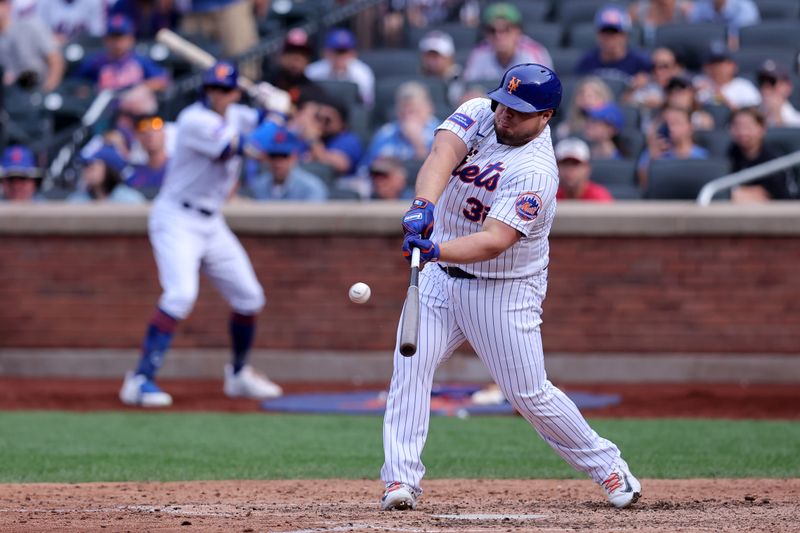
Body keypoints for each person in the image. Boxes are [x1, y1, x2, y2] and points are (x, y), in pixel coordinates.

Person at [380, 63, 641, 511]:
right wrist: (422, 205)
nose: (505, 115)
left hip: (503, 289)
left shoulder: (537, 172)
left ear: (546, 117)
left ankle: (608, 466)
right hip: (441, 280)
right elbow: (442, 154)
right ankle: (400, 480)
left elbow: (494, 242)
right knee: (411, 367)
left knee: (529, 394)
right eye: (505, 103)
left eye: (520, 112)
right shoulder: (483, 111)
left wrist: (435, 247)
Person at [119, 61, 285, 407]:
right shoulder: (195, 120)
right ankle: (139, 380)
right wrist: (275, 116)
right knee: (180, 296)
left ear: (235, 92)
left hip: (212, 222)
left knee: (250, 297)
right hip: (177, 217)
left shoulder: (238, 113)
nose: (218, 95)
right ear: (204, 90)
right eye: (213, 88)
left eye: (225, 89)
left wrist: (277, 104)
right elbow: (238, 147)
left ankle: (238, 375)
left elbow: (277, 141)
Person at [75, 14, 168, 92]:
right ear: (105, 40)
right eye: (113, 38)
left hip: (134, 107)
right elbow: (76, 84)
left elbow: (163, 80)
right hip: (105, 108)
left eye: (121, 37)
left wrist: (139, 88)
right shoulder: (96, 62)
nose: (117, 43)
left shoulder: (139, 60)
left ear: (131, 39)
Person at [462, 2, 552, 82]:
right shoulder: (479, 53)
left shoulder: (533, 53)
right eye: (492, 30)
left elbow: (546, 91)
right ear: (486, 33)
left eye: (506, 29)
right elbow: (466, 90)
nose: (499, 35)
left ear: (518, 31)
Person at [360, 81, 439, 170]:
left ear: (429, 108)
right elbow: (365, 168)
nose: (408, 116)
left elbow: (438, 172)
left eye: (413, 111)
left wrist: (418, 144)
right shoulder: (385, 133)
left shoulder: (442, 133)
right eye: (403, 111)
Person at [244, 121, 328, 201]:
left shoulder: (311, 187)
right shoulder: (258, 185)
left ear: (294, 157)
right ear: (267, 158)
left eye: (284, 156)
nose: (278, 162)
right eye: (273, 156)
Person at [727, 107, 795, 202]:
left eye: (747, 126)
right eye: (737, 126)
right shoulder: (729, 154)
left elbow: (778, 196)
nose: (742, 132)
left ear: (761, 129)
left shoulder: (774, 160)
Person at [575, 5, 652, 86]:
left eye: (614, 32)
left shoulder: (641, 63)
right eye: (604, 32)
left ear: (626, 36)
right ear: (597, 35)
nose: (609, 37)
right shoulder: (587, 62)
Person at [294, 92, 363, 177]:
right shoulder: (310, 138)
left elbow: (339, 166)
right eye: (319, 118)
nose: (322, 123)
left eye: (328, 120)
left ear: (343, 123)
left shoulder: (349, 140)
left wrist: (313, 140)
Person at [0, 0, 64, 92]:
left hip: (38, 89)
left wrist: (47, 90)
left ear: (8, 6)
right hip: (10, 95)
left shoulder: (29, 26)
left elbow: (55, 59)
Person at [637, 106, 709, 187]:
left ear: (690, 126)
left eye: (676, 123)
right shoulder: (652, 152)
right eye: (667, 124)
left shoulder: (702, 156)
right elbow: (643, 184)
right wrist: (652, 158)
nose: (671, 128)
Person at [305, 28, 375, 107]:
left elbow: (366, 105)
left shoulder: (362, 73)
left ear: (353, 53)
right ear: (325, 53)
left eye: (344, 52)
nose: (340, 57)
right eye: (335, 51)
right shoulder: (312, 72)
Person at [67, 144, 146, 203]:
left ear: (109, 169)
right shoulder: (77, 200)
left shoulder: (129, 199)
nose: (87, 170)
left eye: (91, 166)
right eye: (85, 165)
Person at [694, 41, 760, 110]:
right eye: (712, 63)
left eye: (720, 63)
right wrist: (693, 95)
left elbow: (752, 116)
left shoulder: (744, 87)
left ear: (733, 66)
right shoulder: (698, 82)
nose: (716, 68)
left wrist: (720, 96)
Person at [555, 76, 614, 140]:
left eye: (592, 95)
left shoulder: (610, 127)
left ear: (603, 98)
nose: (586, 99)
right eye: (582, 94)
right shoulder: (565, 128)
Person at [688, 0, 759, 48]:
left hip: (738, 52)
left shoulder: (745, 7)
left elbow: (745, 39)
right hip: (708, 52)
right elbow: (696, 34)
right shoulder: (700, 6)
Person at [418, 30, 463, 106]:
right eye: (428, 56)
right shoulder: (420, 79)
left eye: (437, 56)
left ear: (449, 57)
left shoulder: (461, 78)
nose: (432, 60)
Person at [127, 114, 169, 193]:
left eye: (155, 130)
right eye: (144, 132)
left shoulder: (177, 167)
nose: (150, 135)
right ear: (138, 137)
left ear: (164, 133)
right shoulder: (135, 173)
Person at [37, 0, 105, 44]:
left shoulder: (94, 2)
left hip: (85, 47)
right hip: (55, 49)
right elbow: (39, 32)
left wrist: (71, 40)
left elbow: (97, 33)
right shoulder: (44, 2)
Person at [757, 60, 800, 128]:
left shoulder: (797, 120)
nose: (766, 87)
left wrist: (776, 114)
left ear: (787, 87)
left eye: (772, 82)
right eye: (762, 82)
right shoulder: (748, 115)